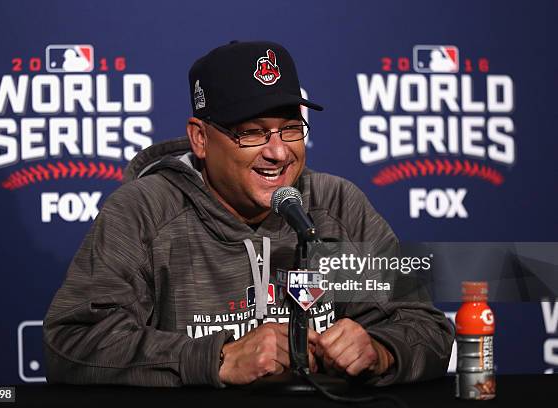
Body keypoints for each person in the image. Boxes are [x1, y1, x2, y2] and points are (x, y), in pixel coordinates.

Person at [43, 40, 454, 387]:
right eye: (252, 132)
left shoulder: (337, 205)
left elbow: (428, 330)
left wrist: (381, 352)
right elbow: (72, 344)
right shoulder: (145, 211)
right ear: (201, 139)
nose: (278, 152)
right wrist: (217, 359)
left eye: (290, 128)